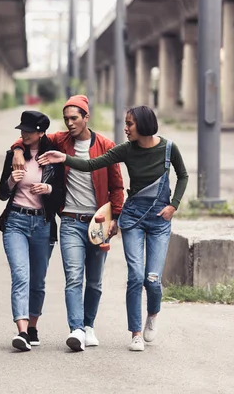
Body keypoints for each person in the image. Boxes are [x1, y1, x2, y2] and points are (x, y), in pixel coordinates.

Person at [37, 105, 188, 351]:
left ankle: (152, 313)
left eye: (130, 124)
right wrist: (64, 158)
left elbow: (183, 175)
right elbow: (91, 164)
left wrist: (174, 205)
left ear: (144, 125)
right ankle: (135, 334)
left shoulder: (169, 148)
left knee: (152, 279)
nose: (125, 129)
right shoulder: (126, 150)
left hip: (160, 219)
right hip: (133, 217)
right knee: (135, 276)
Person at [11, 95, 124, 352]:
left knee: (94, 281)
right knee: (74, 277)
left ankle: (89, 325)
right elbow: (30, 137)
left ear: (86, 118)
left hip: (98, 222)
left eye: (75, 118)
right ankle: (76, 330)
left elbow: (117, 186)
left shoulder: (106, 145)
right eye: (66, 119)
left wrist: (115, 217)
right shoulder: (61, 140)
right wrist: (17, 148)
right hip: (71, 221)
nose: (70, 123)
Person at [0, 110, 65, 351]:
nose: (24, 134)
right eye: (22, 130)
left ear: (41, 133)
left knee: (38, 280)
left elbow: (61, 195)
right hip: (16, 220)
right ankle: (22, 332)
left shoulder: (53, 158)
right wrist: (11, 181)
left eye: (29, 130)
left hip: (43, 224)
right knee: (20, 276)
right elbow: (2, 193)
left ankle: (34, 326)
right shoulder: (14, 155)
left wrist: (48, 189)